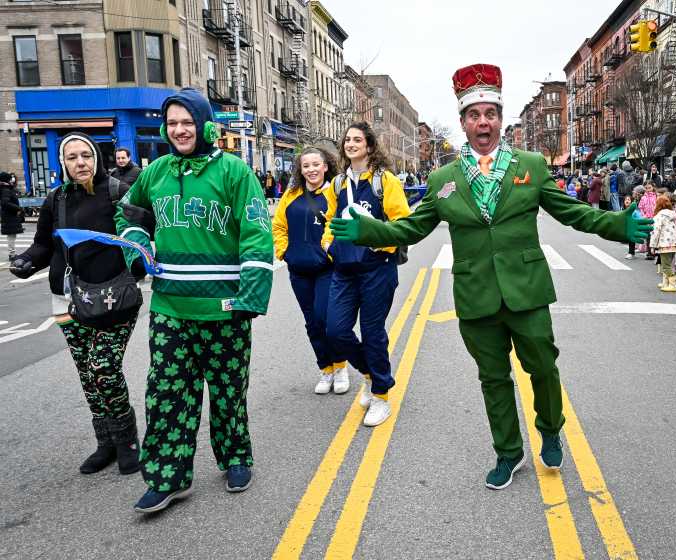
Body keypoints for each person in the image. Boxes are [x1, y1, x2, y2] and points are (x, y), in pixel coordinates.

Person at [329, 63, 653, 490]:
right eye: (474, 115)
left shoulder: (530, 165)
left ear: (499, 119)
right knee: (493, 378)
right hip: (476, 294)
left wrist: (617, 225)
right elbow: (410, 229)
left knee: (544, 368)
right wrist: (368, 231)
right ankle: (508, 452)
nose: (483, 122)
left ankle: (550, 429)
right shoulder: (443, 180)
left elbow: (573, 213)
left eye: (490, 114)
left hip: (527, 290)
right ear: (464, 122)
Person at [114, 88, 274, 513]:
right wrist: (137, 248)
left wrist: (251, 295)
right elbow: (128, 213)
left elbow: (257, 232)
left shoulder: (235, 172)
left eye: (187, 122)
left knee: (227, 391)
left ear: (205, 126)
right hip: (170, 308)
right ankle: (167, 477)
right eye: (172, 123)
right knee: (165, 394)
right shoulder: (156, 172)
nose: (179, 130)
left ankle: (235, 457)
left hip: (225, 308)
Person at [9, 132, 145, 476]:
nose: (80, 162)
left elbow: (141, 234)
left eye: (86, 155)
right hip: (68, 299)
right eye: (72, 157)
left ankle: (127, 441)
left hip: (113, 297)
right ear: (63, 163)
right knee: (87, 375)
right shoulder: (56, 199)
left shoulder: (117, 192)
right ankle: (106, 443)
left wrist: (141, 260)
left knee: (103, 368)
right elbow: (43, 245)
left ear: (96, 158)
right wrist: (26, 261)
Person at [321, 121, 411, 428]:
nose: (351, 144)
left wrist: (376, 242)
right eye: (347, 139)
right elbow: (330, 220)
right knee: (335, 331)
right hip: (344, 269)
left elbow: (402, 223)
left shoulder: (384, 181)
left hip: (377, 269)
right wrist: (329, 246)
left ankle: (381, 395)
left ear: (369, 146)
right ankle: (371, 374)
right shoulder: (337, 184)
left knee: (373, 334)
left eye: (357, 140)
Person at [272, 146, 349, 394]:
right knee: (312, 323)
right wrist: (284, 251)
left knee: (326, 319)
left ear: (325, 166)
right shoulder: (291, 194)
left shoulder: (335, 193)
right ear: (300, 169)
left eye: (316, 164)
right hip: (298, 270)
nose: (311, 170)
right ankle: (325, 369)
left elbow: (339, 226)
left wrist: (329, 252)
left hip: (326, 269)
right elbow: (278, 226)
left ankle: (340, 367)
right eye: (306, 166)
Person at [651, 195, 676, 292]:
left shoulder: (659, 216)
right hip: (673, 243)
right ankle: (665, 283)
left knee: (665, 266)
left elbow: (656, 231)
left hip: (664, 243)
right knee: (668, 264)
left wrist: (652, 245)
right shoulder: (672, 214)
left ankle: (673, 284)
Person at [0, 171, 24, 261]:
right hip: (9, 216)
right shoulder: (6, 190)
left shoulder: (7, 188)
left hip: (9, 216)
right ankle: (12, 254)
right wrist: (18, 208)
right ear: (6, 179)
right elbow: (5, 203)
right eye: (10, 178)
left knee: (12, 235)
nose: (12, 179)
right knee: (11, 235)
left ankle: (12, 253)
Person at [638, 182, 658, 260]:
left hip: (655, 218)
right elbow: (640, 208)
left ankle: (655, 252)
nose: (648, 189)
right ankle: (650, 253)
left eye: (649, 188)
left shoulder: (656, 196)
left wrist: (656, 216)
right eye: (646, 188)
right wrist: (644, 216)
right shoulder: (643, 197)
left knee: (655, 236)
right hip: (646, 219)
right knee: (648, 236)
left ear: (653, 187)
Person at [623, 195, 642, 259]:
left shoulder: (634, 211)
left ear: (631, 202)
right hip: (628, 228)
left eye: (628, 200)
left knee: (631, 240)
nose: (627, 201)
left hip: (633, 228)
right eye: (626, 200)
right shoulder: (623, 210)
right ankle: (631, 253)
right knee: (630, 240)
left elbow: (639, 218)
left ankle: (631, 253)